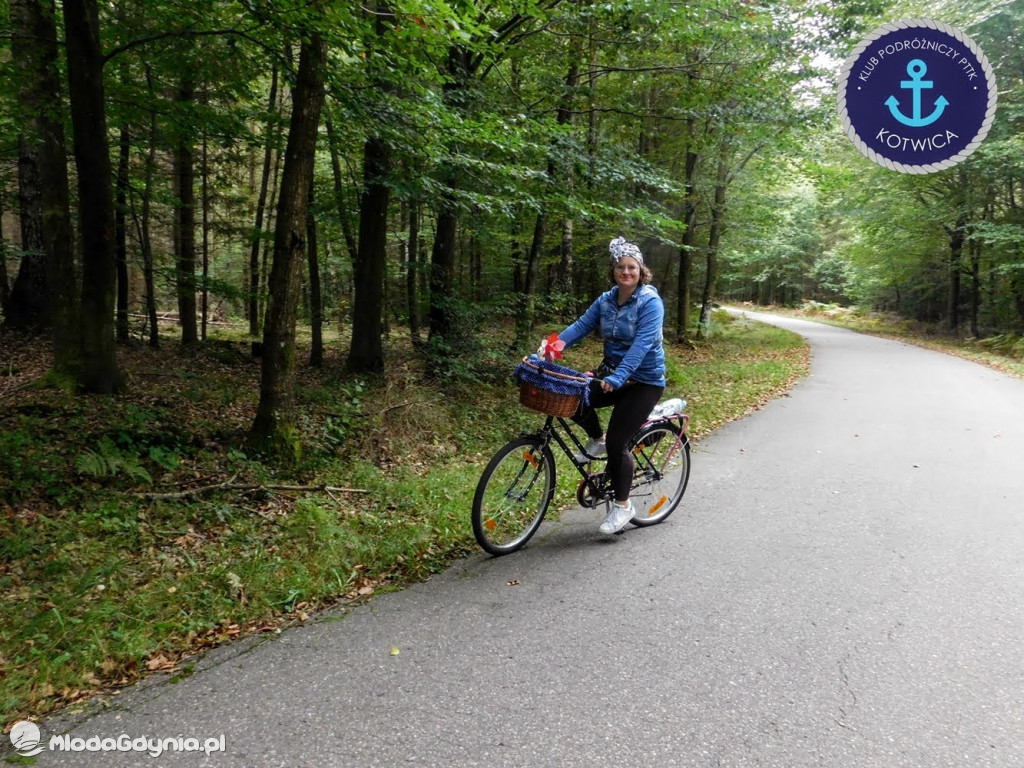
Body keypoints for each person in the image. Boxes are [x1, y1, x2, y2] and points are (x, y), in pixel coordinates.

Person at [540, 236, 666, 535]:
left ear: (641, 270)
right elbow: (581, 326)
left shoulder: (650, 302)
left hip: (643, 381)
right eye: (621, 267)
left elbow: (643, 344)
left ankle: (623, 506)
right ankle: (596, 436)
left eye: (631, 267)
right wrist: (549, 349)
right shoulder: (606, 300)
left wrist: (618, 377)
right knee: (573, 395)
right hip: (612, 375)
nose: (626, 272)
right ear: (614, 271)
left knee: (618, 443)